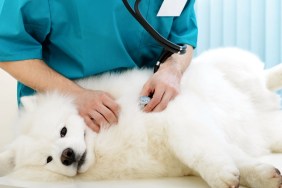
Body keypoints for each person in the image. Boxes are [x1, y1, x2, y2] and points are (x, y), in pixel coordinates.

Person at [0, 0, 198, 132]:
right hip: (65, 119)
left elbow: (182, 37)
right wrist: (73, 95)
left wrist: (173, 69)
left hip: (142, 116)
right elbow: (8, 49)